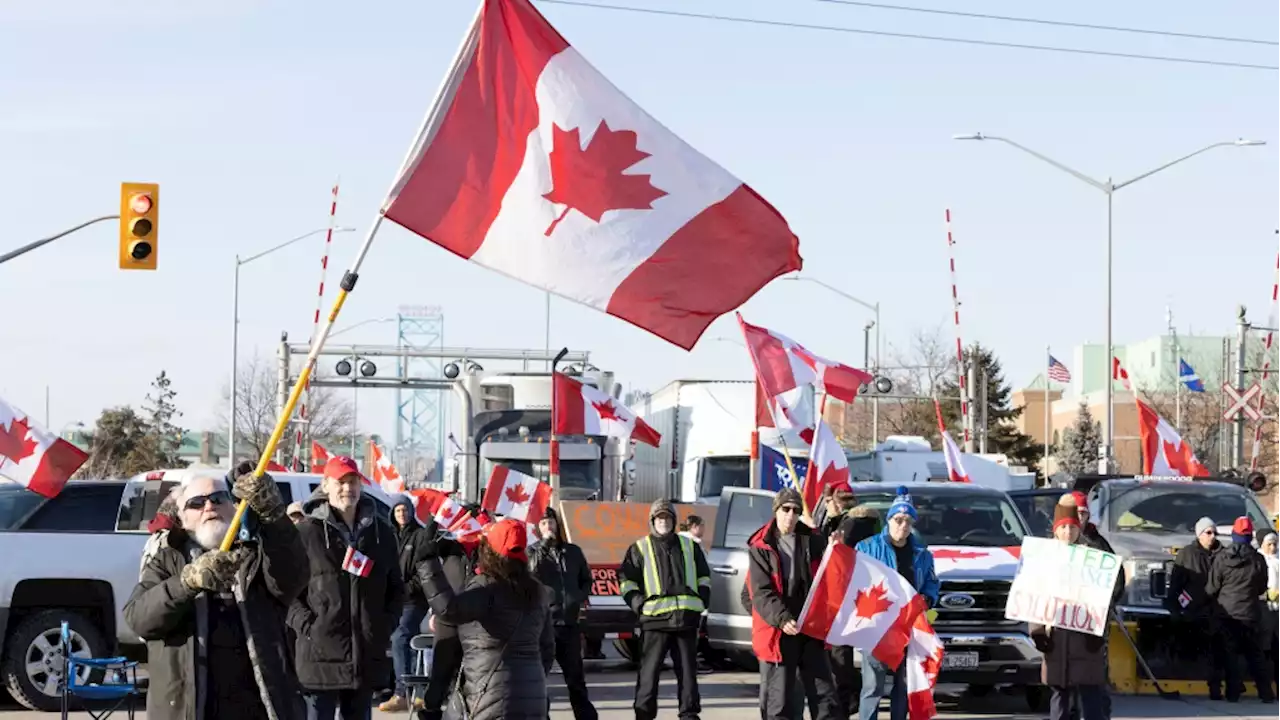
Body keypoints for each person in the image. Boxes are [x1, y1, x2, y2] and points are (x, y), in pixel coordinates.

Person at [124, 471, 309, 720]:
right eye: (197, 503)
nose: (209, 506)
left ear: (234, 509)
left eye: (218, 498)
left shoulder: (256, 556)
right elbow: (139, 618)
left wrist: (275, 519)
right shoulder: (166, 561)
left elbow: (293, 578)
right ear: (183, 518)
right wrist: (187, 582)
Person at [290, 456, 405, 720]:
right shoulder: (306, 532)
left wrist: (383, 625)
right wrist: (309, 627)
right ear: (326, 485)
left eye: (353, 481)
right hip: (319, 658)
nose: (347, 488)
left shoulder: (382, 533)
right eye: (341, 482)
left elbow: (396, 588)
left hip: (364, 658)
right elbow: (287, 592)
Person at [417, 517, 555, 720]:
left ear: (490, 551)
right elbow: (547, 648)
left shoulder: (486, 587)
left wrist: (426, 561)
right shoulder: (537, 591)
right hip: (534, 697)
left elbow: (448, 609)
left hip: (490, 696)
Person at [748, 487, 841, 720]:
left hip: (810, 626)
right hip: (779, 630)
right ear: (776, 511)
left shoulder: (813, 540)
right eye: (785, 509)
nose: (790, 515)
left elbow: (833, 571)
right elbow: (760, 592)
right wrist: (781, 618)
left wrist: (837, 540)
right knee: (780, 701)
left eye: (795, 510)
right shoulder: (761, 545)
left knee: (825, 696)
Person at [1031, 495, 1123, 720]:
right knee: (1059, 696)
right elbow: (1035, 595)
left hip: (1085, 639)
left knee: (1091, 693)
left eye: (1072, 528)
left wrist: (1098, 632)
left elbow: (1104, 595)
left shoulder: (1093, 557)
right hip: (1056, 639)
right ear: (1056, 529)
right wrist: (1037, 631)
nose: (1068, 533)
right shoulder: (1044, 557)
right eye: (1063, 528)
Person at [619, 499, 711, 720]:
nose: (664, 521)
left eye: (667, 517)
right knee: (648, 676)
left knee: (688, 676)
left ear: (674, 521)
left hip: (685, 621)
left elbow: (704, 577)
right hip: (654, 622)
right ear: (652, 521)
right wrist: (638, 604)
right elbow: (626, 581)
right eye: (660, 518)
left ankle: (689, 715)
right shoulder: (639, 548)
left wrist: (702, 600)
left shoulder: (690, 546)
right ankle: (644, 715)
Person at [854, 487, 939, 720]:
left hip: (908, 628)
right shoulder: (866, 548)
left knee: (903, 687)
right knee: (873, 687)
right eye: (898, 519)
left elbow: (932, 582)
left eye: (908, 521)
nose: (903, 525)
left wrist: (928, 598)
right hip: (877, 628)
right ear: (889, 520)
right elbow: (854, 583)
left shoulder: (922, 554)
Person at [529, 507, 598, 720]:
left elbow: (586, 578)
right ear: (538, 529)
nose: (548, 527)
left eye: (551, 522)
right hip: (544, 626)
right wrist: (543, 548)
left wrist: (578, 595)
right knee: (539, 679)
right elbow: (530, 573)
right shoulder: (532, 552)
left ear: (557, 525)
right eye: (543, 524)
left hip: (569, 624)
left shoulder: (573, 551)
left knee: (576, 679)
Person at [1206, 516, 1275, 703]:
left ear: (1234, 535)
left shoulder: (1222, 558)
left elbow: (1212, 587)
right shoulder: (1258, 559)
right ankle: (1266, 693)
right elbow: (1262, 587)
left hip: (1227, 614)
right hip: (1251, 613)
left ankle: (1232, 693)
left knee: (1230, 655)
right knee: (1256, 655)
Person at [380, 497, 435, 713]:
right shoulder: (388, 536)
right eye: (398, 510)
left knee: (401, 635)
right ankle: (412, 692)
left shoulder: (420, 536)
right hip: (392, 599)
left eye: (405, 509)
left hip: (414, 601)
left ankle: (402, 693)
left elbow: (423, 573)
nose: (401, 514)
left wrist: (403, 589)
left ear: (411, 511)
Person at [1165, 515, 1226, 699]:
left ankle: (1215, 688)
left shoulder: (1223, 554)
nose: (1212, 536)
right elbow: (1176, 583)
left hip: (1217, 610)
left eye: (1214, 532)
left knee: (1216, 652)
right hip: (1193, 610)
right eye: (1208, 532)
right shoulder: (1187, 554)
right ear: (1199, 534)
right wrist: (1174, 607)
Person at [418, 517, 473, 720]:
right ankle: (431, 711)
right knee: (441, 672)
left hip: (475, 620)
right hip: (447, 617)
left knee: (471, 675)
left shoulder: (484, 548)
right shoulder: (450, 546)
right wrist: (436, 519)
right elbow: (426, 546)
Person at [1259, 531, 1280, 699]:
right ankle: (1265, 689)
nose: (1273, 548)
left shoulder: (1279, 560)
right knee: (1264, 650)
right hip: (1263, 611)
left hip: (1278, 611)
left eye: (1275, 544)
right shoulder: (1258, 561)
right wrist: (1265, 595)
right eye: (1269, 544)